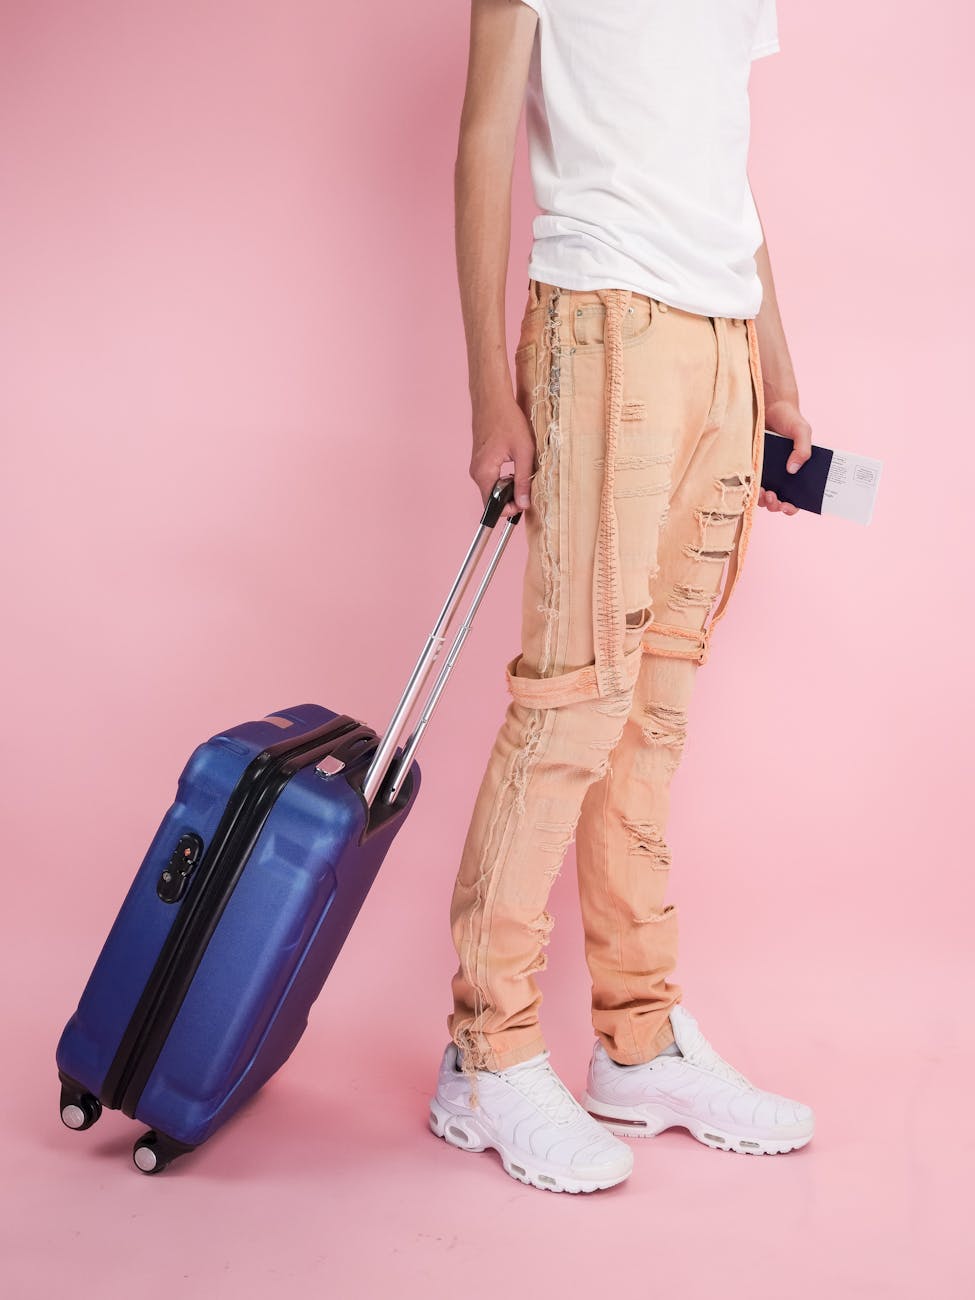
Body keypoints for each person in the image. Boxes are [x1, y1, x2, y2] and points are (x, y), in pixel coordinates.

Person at [428, 0, 815, 1194]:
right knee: (576, 701)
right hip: (604, 323)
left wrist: (779, 377)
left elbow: (727, 180)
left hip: (719, 347)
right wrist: (491, 389)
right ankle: (485, 1054)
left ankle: (638, 1041)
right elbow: (485, 136)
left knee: (652, 717)